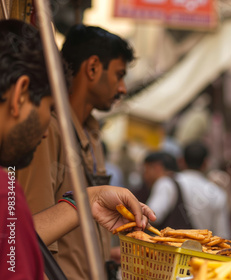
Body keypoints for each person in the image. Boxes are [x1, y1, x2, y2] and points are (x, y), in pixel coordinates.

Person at [0, 19, 155, 280]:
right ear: (20, 95)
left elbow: (17, 235)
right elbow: (20, 247)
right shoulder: (8, 187)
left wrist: (89, 201)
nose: (122, 89)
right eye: (119, 75)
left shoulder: (91, 134)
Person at [146, 141, 231, 239]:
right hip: (200, 252)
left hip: (168, 251)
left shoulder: (167, 183)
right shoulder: (217, 193)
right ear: (206, 163)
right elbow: (223, 235)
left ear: (181, 161)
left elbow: (152, 217)